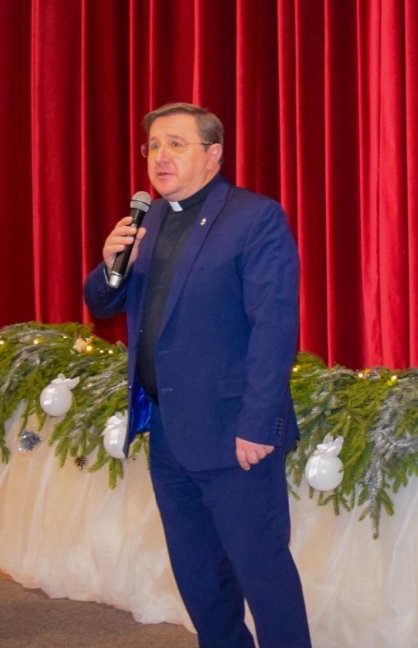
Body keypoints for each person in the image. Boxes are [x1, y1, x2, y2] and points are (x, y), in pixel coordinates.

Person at [83, 103, 311, 647]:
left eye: (176, 144)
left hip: (236, 434)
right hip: (168, 431)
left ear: (214, 155)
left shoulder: (254, 218)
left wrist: (258, 424)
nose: (160, 157)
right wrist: (110, 262)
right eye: (153, 146)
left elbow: (274, 328)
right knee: (199, 576)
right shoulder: (149, 221)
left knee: (262, 573)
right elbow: (102, 303)